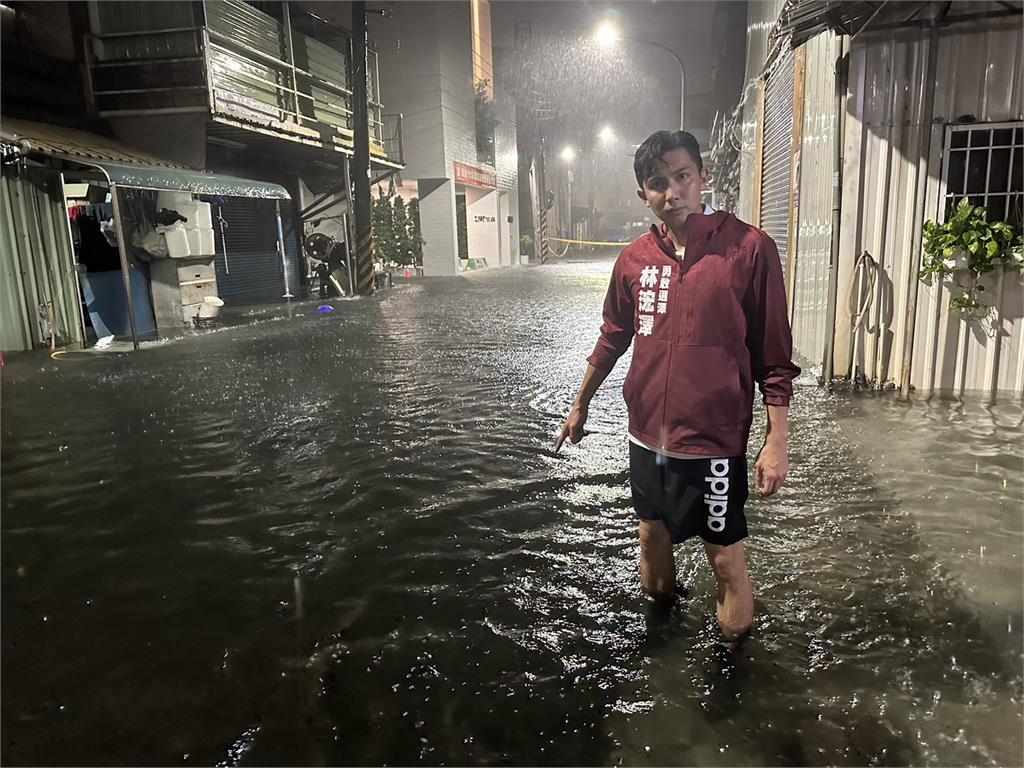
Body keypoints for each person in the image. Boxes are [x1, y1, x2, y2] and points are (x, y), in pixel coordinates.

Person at [554, 130, 800, 639]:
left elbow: (773, 359)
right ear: (643, 194)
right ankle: (660, 642)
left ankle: (733, 671)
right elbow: (612, 338)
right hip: (646, 438)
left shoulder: (750, 250)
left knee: (726, 560)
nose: (673, 192)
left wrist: (777, 440)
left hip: (712, 442)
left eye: (683, 176)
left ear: (703, 177)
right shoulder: (634, 261)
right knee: (651, 539)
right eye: (658, 183)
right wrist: (580, 405)